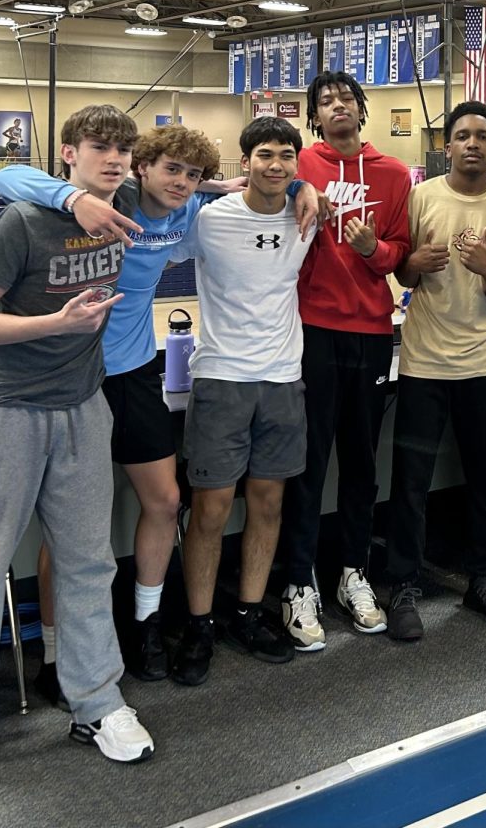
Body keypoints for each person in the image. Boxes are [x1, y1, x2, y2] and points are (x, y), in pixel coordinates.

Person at [0, 126, 320, 693]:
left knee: (167, 502)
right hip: (78, 377)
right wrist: (74, 197)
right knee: (67, 527)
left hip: (137, 370)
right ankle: (53, 650)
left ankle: (146, 624)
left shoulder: (190, 214)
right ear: (141, 169)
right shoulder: (104, 201)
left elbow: (256, 194)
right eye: (170, 170)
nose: (183, 183)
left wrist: (301, 187)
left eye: (192, 176)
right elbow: (6, 175)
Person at [0, 104, 155, 763]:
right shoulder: (24, 221)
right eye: (97, 147)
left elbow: (192, 180)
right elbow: (4, 174)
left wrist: (304, 185)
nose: (113, 159)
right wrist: (52, 325)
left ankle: (98, 704)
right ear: (69, 153)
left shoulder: (126, 202)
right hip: (8, 410)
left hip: (84, 408)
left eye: (122, 149)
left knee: (89, 562)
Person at [169, 117, 316, 686]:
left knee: (268, 504)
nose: (275, 164)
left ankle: (249, 613)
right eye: (264, 154)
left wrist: (310, 192)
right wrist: (204, 185)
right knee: (208, 510)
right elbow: (158, 212)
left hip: (282, 380)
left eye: (285, 156)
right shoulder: (211, 219)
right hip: (222, 379)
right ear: (245, 161)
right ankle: (200, 624)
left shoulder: (306, 213)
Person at [385, 100, 486, 641]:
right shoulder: (419, 197)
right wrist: (411, 267)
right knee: (410, 482)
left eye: (482, 136)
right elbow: (402, 273)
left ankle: (484, 580)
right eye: (462, 135)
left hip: (485, 366)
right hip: (424, 364)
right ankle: (401, 583)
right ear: (446, 145)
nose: (472, 143)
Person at [279, 71, 411, 651]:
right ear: (314, 117)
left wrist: (372, 250)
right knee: (308, 461)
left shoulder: (392, 173)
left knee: (361, 460)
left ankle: (352, 572)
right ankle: (297, 580)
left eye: (346, 99)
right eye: (325, 102)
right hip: (313, 330)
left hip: (373, 332)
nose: (337, 107)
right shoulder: (298, 165)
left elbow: (401, 253)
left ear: (362, 110)